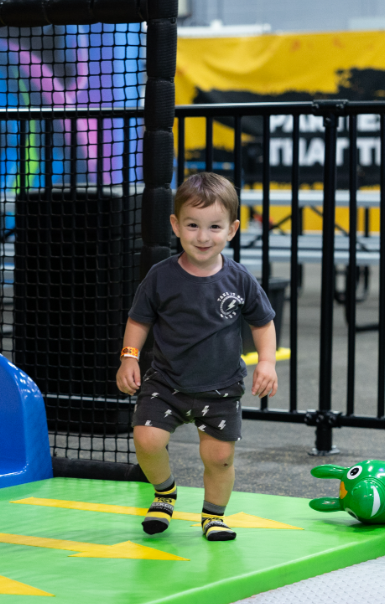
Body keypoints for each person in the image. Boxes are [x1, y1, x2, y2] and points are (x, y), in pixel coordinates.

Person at [115, 172, 278, 542]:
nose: (203, 236)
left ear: (232, 230)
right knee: (146, 440)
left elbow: (263, 322)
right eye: (192, 225)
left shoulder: (239, 279)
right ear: (175, 226)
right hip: (165, 383)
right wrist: (129, 357)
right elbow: (139, 320)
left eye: (214, 227)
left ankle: (214, 516)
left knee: (219, 457)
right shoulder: (161, 276)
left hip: (220, 388)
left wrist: (267, 362)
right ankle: (165, 492)